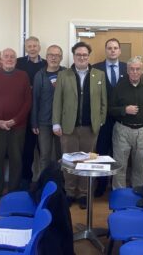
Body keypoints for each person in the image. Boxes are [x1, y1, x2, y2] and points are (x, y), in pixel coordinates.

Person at [52, 41, 107, 209]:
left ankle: (83, 193)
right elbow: (57, 101)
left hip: (90, 128)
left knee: (85, 163)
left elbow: (104, 101)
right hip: (68, 127)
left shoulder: (99, 75)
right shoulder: (64, 75)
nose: (82, 57)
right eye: (78, 55)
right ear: (74, 56)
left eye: (85, 55)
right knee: (69, 161)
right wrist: (56, 123)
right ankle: (69, 192)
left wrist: (100, 119)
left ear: (88, 56)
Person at [0, 48, 32, 203]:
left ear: (16, 60)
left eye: (12, 57)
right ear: (1, 59)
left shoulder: (23, 76)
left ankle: (13, 189)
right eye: (6, 57)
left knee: (16, 159)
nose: (9, 59)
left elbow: (27, 102)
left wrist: (15, 120)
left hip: (17, 126)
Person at [110, 56, 143, 190]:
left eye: (138, 69)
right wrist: (124, 110)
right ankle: (119, 193)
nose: (135, 72)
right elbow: (110, 109)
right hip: (122, 130)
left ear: (142, 71)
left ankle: (137, 192)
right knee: (119, 164)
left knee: (139, 165)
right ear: (127, 70)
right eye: (132, 69)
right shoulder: (119, 87)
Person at [93, 38, 127, 197]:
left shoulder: (128, 68)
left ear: (119, 51)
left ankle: (117, 186)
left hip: (122, 118)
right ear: (105, 50)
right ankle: (101, 185)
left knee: (119, 153)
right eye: (109, 48)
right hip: (102, 118)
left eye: (115, 48)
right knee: (101, 151)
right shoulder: (95, 68)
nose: (112, 50)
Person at [16, 36, 47, 187]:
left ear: (39, 47)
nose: (32, 48)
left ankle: (43, 181)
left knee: (45, 152)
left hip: (43, 114)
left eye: (35, 46)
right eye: (29, 46)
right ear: (25, 48)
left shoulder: (47, 64)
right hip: (24, 114)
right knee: (26, 150)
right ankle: (26, 180)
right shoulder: (19, 63)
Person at [31, 45, 65, 181]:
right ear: (46, 56)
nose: (53, 57)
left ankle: (60, 183)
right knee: (44, 155)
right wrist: (34, 122)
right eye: (51, 54)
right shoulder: (40, 75)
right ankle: (44, 184)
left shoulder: (66, 74)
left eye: (57, 55)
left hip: (62, 122)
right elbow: (35, 99)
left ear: (61, 57)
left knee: (62, 155)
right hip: (44, 122)